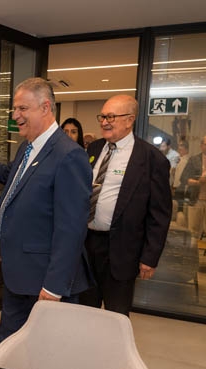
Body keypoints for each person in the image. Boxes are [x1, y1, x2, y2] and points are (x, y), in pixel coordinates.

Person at [0, 78, 93, 343]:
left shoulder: (69, 155)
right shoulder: (27, 148)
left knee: (48, 355)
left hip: (45, 284)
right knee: (9, 348)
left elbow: (71, 229)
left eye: (23, 108)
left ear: (45, 107)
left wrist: (54, 287)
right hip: (18, 277)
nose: (15, 115)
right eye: (14, 109)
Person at [80, 95, 172, 316]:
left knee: (116, 316)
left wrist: (149, 257)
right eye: (102, 117)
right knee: (83, 313)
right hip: (86, 246)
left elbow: (159, 214)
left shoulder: (151, 159)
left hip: (122, 251)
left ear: (130, 120)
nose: (104, 122)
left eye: (110, 117)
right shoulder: (94, 149)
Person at [173, 140, 190, 209]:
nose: (179, 148)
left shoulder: (187, 161)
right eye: (179, 146)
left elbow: (183, 177)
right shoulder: (178, 159)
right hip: (176, 187)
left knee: (180, 208)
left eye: (181, 146)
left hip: (182, 188)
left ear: (186, 149)